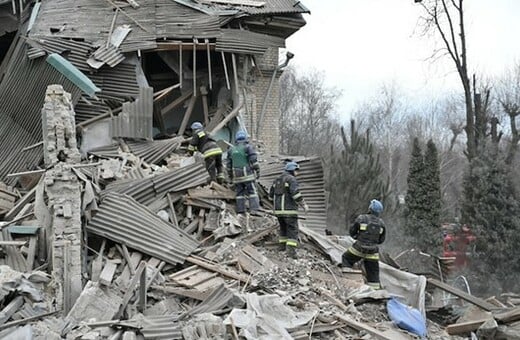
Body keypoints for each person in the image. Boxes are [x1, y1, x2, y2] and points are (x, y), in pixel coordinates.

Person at [341, 199, 386, 289]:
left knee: (346, 258)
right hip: (373, 253)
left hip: (358, 249)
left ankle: (348, 282)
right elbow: (381, 240)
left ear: (370, 208)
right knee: (374, 276)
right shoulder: (381, 223)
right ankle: (374, 295)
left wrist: (357, 237)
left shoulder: (361, 218)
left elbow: (352, 232)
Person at [269, 161, 309, 259]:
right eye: (297, 170)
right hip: (290, 211)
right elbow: (296, 194)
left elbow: (270, 196)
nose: (297, 173)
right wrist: (304, 205)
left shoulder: (277, 180)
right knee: (292, 230)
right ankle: (291, 252)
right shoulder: (291, 179)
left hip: (278, 211)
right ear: (292, 170)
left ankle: (282, 247)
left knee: (283, 229)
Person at [226, 131, 260, 214]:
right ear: (245, 138)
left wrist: (230, 177)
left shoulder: (231, 150)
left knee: (239, 193)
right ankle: (254, 209)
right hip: (247, 174)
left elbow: (228, 166)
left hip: (236, 176)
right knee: (252, 191)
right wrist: (257, 171)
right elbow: (253, 161)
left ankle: (240, 210)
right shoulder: (248, 147)